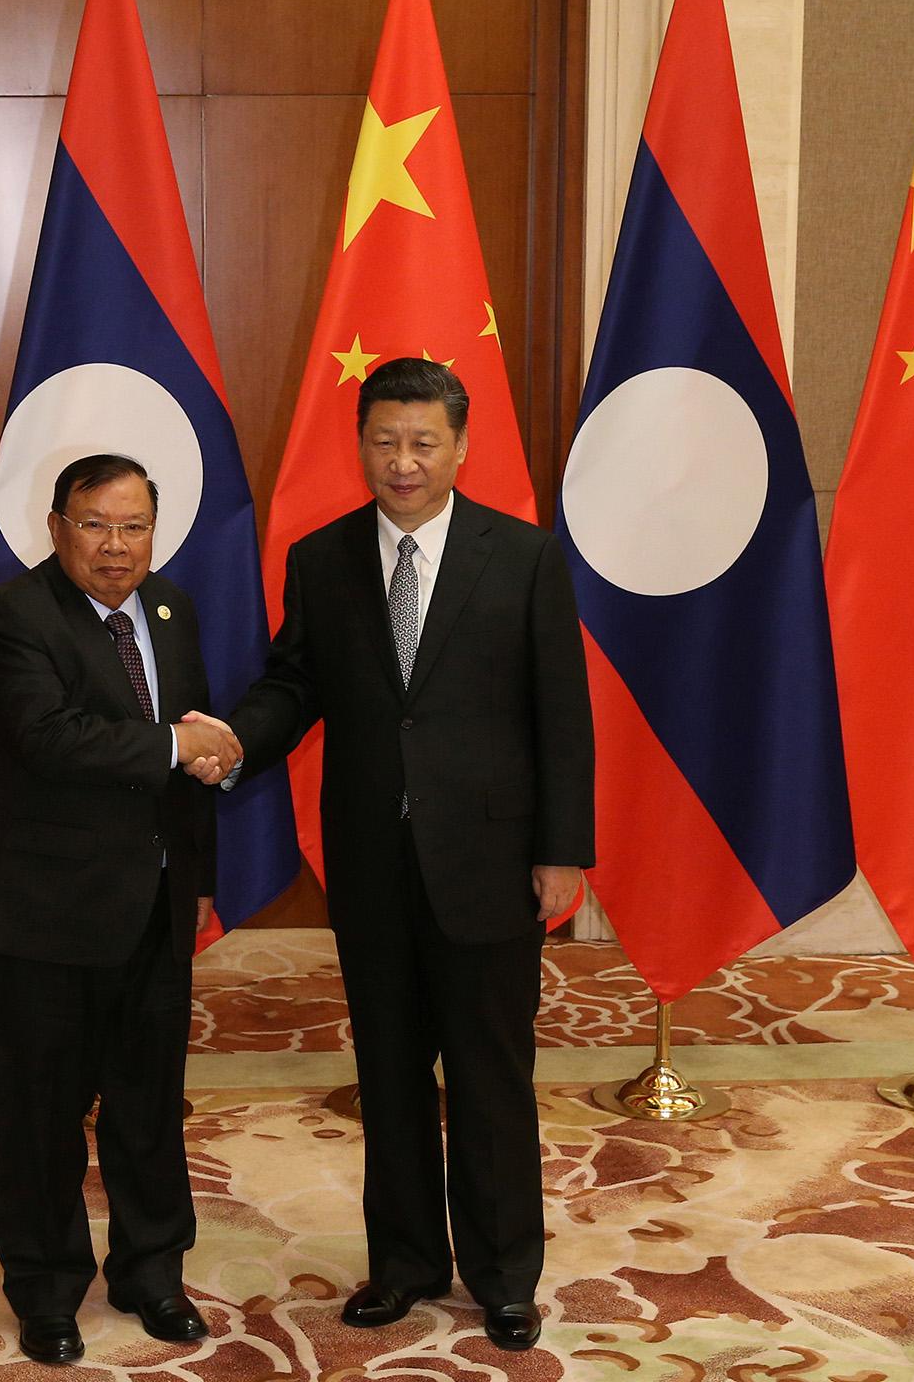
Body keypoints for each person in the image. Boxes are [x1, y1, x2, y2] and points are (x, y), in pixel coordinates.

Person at [199, 358, 594, 1351]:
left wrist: (561, 850)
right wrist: (239, 737)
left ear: (461, 447)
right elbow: (296, 685)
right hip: (374, 862)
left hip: (493, 864)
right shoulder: (323, 558)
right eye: (385, 441)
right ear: (361, 444)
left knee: (489, 1077)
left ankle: (503, 1274)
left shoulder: (523, 558)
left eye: (423, 442)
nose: (403, 462)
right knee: (387, 1073)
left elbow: (563, 715)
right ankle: (406, 1262)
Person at [0, 453, 241, 1367]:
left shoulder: (169, 608)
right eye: (95, 525)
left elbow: (186, 757)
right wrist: (177, 742)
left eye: (133, 527)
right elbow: (49, 738)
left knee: (149, 1107)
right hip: (46, 916)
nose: (116, 548)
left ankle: (152, 1273)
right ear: (57, 528)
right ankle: (45, 1290)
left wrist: (196, 877)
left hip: (154, 908)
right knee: (43, 1112)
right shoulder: (11, 618)